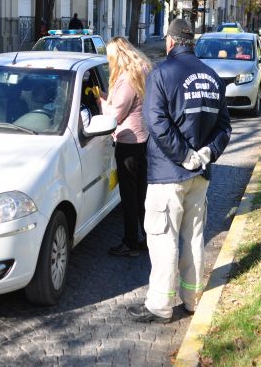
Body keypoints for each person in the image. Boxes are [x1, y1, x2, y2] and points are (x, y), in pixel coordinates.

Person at [127, 18, 231, 323]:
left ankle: (159, 305)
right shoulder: (212, 77)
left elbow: (155, 121)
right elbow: (225, 126)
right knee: (195, 236)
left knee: (163, 238)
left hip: (168, 174)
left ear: (170, 42)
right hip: (200, 176)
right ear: (192, 42)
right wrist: (208, 152)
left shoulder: (162, 73)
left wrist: (183, 155)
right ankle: (193, 299)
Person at [97, 37, 152, 257]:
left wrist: (100, 102)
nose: (109, 62)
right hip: (142, 138)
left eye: (110, 57)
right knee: (141, 195)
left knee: (130, 196)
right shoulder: (143, 70)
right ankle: (148, 238)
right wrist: (104, 96)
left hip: (129, 141)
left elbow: (115, 114)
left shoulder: (128, 78)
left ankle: (130, 242)